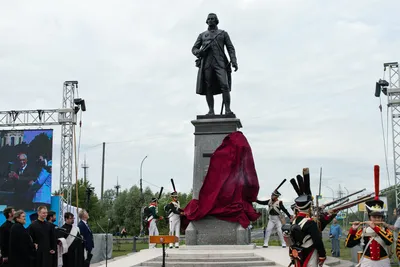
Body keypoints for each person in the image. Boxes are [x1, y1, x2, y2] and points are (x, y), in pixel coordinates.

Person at [345, 166, 393, 266]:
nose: (376, 219)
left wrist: (376, 228)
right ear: (370, 218)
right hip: (367, 262)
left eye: (378, 217)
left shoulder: (386, 230)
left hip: (383, 262)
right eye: (374, 217)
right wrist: (353, 230)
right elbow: (348, 244)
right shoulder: (363, 231)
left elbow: (389, 242)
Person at [192, 13, 238, 115]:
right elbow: (194, 48)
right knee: (208, 86)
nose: (211, 20)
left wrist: (234, 60)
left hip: (220, 63)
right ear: (207, 21)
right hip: (207, 64)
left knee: (225, 85)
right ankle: (211, 111)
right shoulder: (202, 35)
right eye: (209, 19)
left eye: (213, 19)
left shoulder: (223, 33)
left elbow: (230, 48)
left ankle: (227, 110)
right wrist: (198, 52)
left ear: (216, 21)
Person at [288, 169, 326, 267]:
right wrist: (322, 255)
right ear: (309, 207)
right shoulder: (310, 223)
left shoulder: (294, 220)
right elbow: (317, 240)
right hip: (310, 251)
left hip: (298, 251)